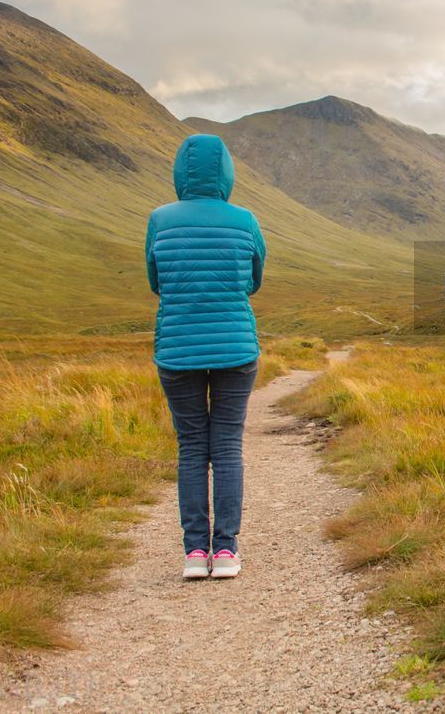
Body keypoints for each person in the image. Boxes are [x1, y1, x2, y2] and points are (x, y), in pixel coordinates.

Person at [146, 134, 266, 580]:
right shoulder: (245, 219)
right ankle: (228, 550)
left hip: (177, 348)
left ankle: (195, 552)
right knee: (228, 445)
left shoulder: (160, 219)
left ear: (180, 173)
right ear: (227, 174)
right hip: (236, 346)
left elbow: (156, 281)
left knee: (192, 446)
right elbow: (254, 279)